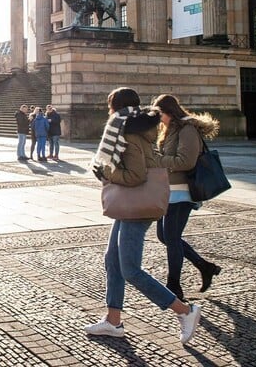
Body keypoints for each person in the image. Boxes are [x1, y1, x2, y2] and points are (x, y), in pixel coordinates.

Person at [86, 87, 201, 345]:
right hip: (129, 204)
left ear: (115, 107)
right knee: (112, 260)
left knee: (131, 270)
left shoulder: (129, 133)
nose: (109, 111)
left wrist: (107, 175)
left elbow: (136, 176)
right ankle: (113, 321)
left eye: (110, 106)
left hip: (136, 206)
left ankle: (185, 311)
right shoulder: (133, 127)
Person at [153, 93, 221, 301]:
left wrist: (157, 159)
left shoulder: (187, 129)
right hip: (170, 190)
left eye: (159, 114)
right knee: (164, 236)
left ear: (168, 112)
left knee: (171, 237)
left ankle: (174, 285)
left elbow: (186, 162)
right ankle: (204, 266)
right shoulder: (171, 129)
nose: (158, 119)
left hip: (182, 192)